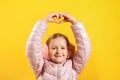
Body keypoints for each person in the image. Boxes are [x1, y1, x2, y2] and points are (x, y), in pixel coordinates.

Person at [26, 12, 92, 80]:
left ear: (68, 51)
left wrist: (74, 22)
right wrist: (44, 22)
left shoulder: (73, 66)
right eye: (54, 48)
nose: (58, 51)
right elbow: (32, 48)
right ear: (47, 51)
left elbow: (85, 49)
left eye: (63, 48)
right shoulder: (41, 67)